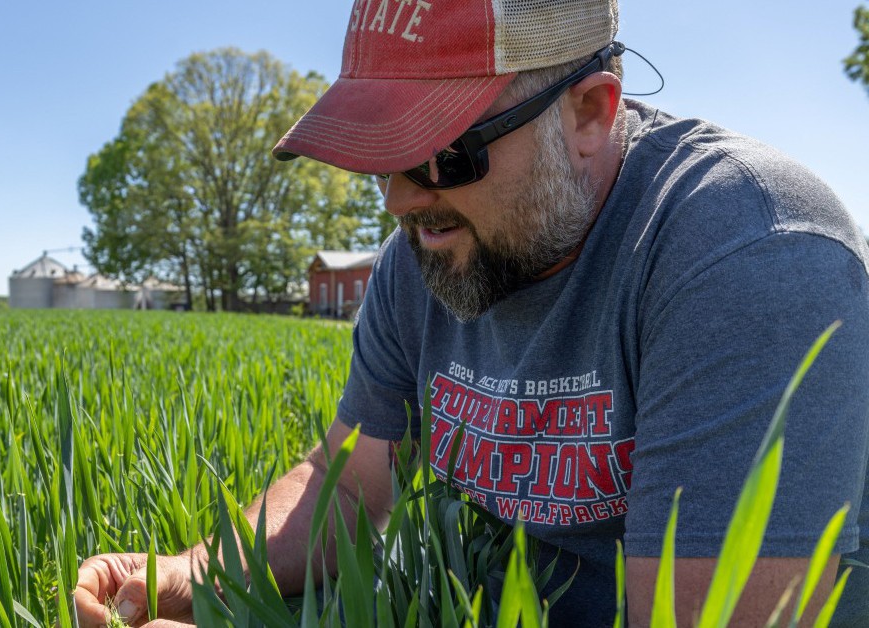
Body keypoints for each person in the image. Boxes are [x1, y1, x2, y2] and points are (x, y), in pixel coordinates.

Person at [75, 0, 869, 625]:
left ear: (590, 109)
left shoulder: (749, 252)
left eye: (442, 153)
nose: (398, 199)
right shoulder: (426, 252)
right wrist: (191, 577)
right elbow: (351, 487)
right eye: (380, 153)